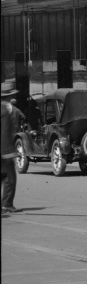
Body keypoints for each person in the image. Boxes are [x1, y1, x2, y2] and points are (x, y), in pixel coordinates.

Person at [1, 79, 22, 216]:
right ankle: (7, 204)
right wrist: (9, 151)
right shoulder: (7, 110)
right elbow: (5, 132)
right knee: (10, 178)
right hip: (4, 150)